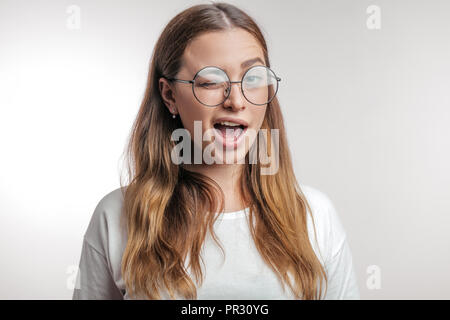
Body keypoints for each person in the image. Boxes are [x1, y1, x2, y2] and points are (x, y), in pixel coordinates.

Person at [72, 2, 360, 300]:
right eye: (211, 80)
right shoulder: (116, 215)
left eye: (253, 78)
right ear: (169, 95)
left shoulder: (316, 216)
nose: (236, 100)